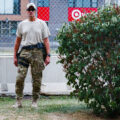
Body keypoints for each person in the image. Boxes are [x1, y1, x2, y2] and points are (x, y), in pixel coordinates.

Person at [13, 3, 51, 108]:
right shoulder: (21, 24)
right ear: (26, 11)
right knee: (20, 77)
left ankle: (34, 101)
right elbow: (17, 42)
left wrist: (48, 55)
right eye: (29, 9)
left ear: (35, 11)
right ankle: (18, 101)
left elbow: (46, 41)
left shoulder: (42, 23)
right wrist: (15, 56)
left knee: (37, 78)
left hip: (38, 52)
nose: (31, 11)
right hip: (24, 52)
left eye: (32, 9)